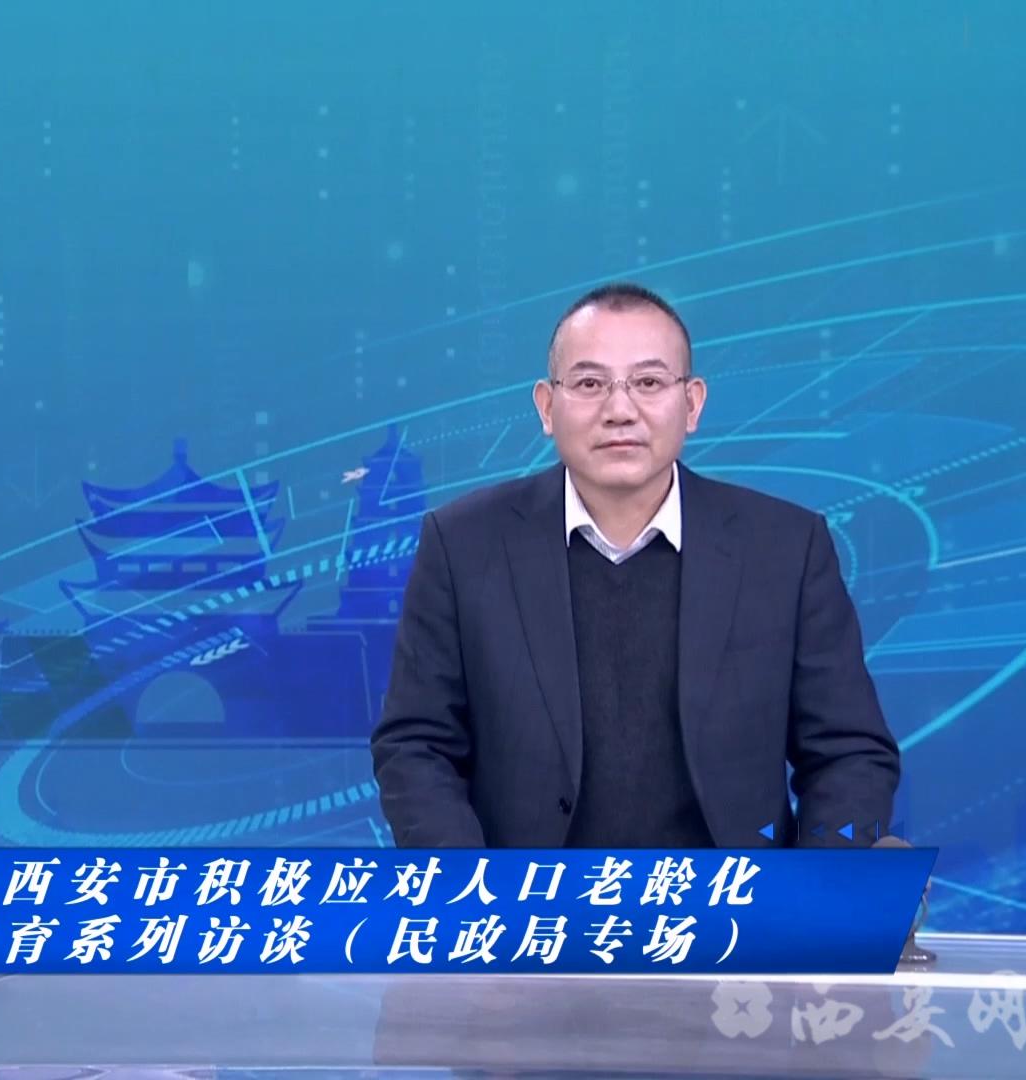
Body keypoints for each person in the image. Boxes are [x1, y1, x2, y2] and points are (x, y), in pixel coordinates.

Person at [370, 282, 900, 848]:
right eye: (589, 384)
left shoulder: (786, 548)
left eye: (648, 383)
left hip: (736, 900)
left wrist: (817, 890)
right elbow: (416, 746)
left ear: (692, 404)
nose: (619, 411)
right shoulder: (462, 545)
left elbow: (849, 753)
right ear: (546, 407)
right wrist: (474, 887)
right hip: (531, 900)